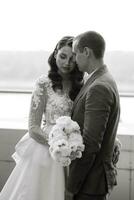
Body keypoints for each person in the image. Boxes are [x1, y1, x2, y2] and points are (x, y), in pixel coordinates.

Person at [0, 36, 84, 200]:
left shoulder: (81, 84)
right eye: (63, 56)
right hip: (45, 149)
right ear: (55, 54)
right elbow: (33, 128)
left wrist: (71, 148)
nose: (67, 63)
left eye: (72, 59)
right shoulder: (44, 83)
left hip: (74, 149)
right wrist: (58, 146)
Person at [65, 31, 120, 200]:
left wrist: (70, 187)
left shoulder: (98, 87)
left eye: (75, 53)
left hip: (89, 184)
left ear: (86, 52)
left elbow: (90, 145)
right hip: (93, 180)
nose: (73, 59)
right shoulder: (103, 77)